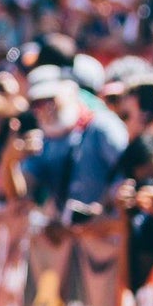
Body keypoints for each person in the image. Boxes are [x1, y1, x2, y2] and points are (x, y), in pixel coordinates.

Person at [20, 61, 129, 213]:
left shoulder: (102, 126)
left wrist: (105, 208)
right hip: (69, 226)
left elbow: (129, 173)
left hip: (108, 224)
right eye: (37, 104)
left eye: (50, 99)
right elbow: (24, 190)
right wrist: (10, 159)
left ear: (70, 91)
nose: (46, 108)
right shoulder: (44, 140)